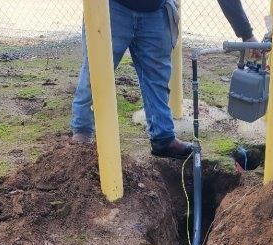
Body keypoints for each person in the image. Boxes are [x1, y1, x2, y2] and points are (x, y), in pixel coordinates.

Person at [71, 0, 258, 160]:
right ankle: (81, 136)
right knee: (95, 75)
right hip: (112, 8)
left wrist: (246, 34)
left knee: (157, 79)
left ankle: (163, 138)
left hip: (156, 12)